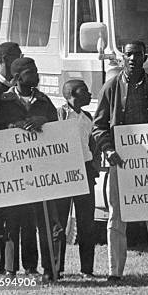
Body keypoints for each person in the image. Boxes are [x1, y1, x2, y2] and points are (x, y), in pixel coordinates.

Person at [93, 40, 148, 281]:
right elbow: (98, 127)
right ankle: (114, 272)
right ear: (122, 58)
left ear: (145, 58)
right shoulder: (111, 88)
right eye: (128, 54)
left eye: (137, 54)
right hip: (121, 161)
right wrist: (108, 150)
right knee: (116, 217)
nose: (132, 59)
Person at [0, 57, 62, 281]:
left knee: (35, 221)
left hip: (39, 173)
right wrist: (13, 128)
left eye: (37, 71)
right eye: (31, 72)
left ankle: (33, 267)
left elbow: (58, 129)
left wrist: (43, 121)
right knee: (12, 222)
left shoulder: (44, 101)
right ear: (18, 77)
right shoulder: (3, 101)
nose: (37, 76)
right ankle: (9, 268)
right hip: (13, 174)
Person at [0, 42, 40, 277]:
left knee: (17, 219)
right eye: (16, 56)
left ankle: (10, 266)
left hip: (19, 166)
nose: (19, 59)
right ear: (3, 59)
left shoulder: (28, 94)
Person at [55, 80, 98, 278]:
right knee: (60, 223)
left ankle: (87, 269)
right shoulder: (58, 115)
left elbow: (92, 143)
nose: (89, 94)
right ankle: (57, 268)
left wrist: (94, 167)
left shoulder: (88, 117)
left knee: (87, 223)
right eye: (84, 91)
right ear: (72, 93)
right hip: (64, 172)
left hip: (85, 172)